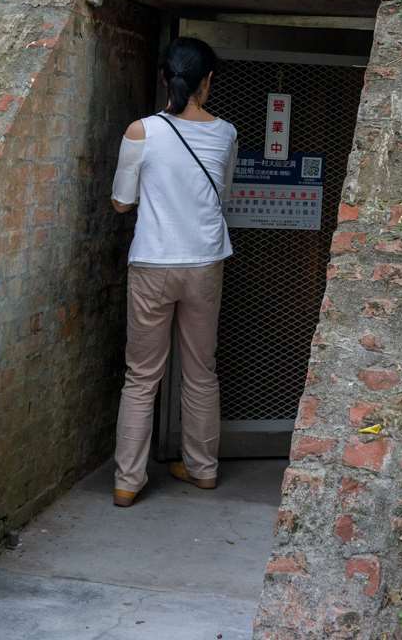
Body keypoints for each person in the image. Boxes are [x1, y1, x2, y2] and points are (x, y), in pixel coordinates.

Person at [108, 37, 238, 507]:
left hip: (153, 264)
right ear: (207, 81)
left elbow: (122, 202)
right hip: (204, 262)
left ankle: (128, 481)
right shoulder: (225, 133)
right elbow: (223, 195)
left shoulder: (141, 131)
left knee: (142, 376)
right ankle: (203, 469)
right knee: (201, 370)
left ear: (166, 79)